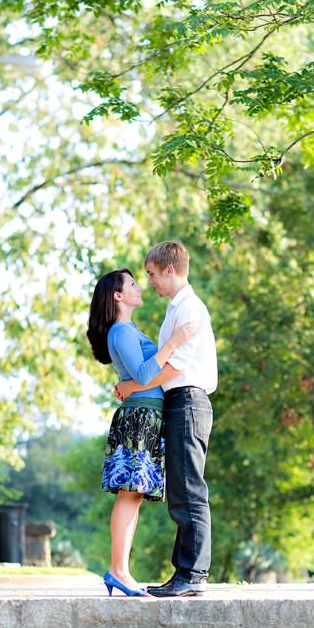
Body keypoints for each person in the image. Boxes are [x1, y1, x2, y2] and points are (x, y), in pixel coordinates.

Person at [112, 241, 218, 598]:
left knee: (188, 488)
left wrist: (134, 383)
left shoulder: (188, 308)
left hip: (188, 400)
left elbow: (175, 365)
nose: (151, 282)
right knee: (180, 489)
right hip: (179, 402)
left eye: (153, 275)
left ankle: (192, 573)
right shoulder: (176, 308)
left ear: (169, 270)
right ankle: (186, 571)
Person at [85, 269, 197, 596]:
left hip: (146, 415)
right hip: (138, 416)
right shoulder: (120, 332)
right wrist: (175, 342)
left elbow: (140, 376)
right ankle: (117, 569)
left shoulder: (127, 330)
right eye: (132, 283)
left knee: (133, 496)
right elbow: (146, 373)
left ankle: (121, 571)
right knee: (128, 494)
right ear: (118, 296)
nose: (139, 286)